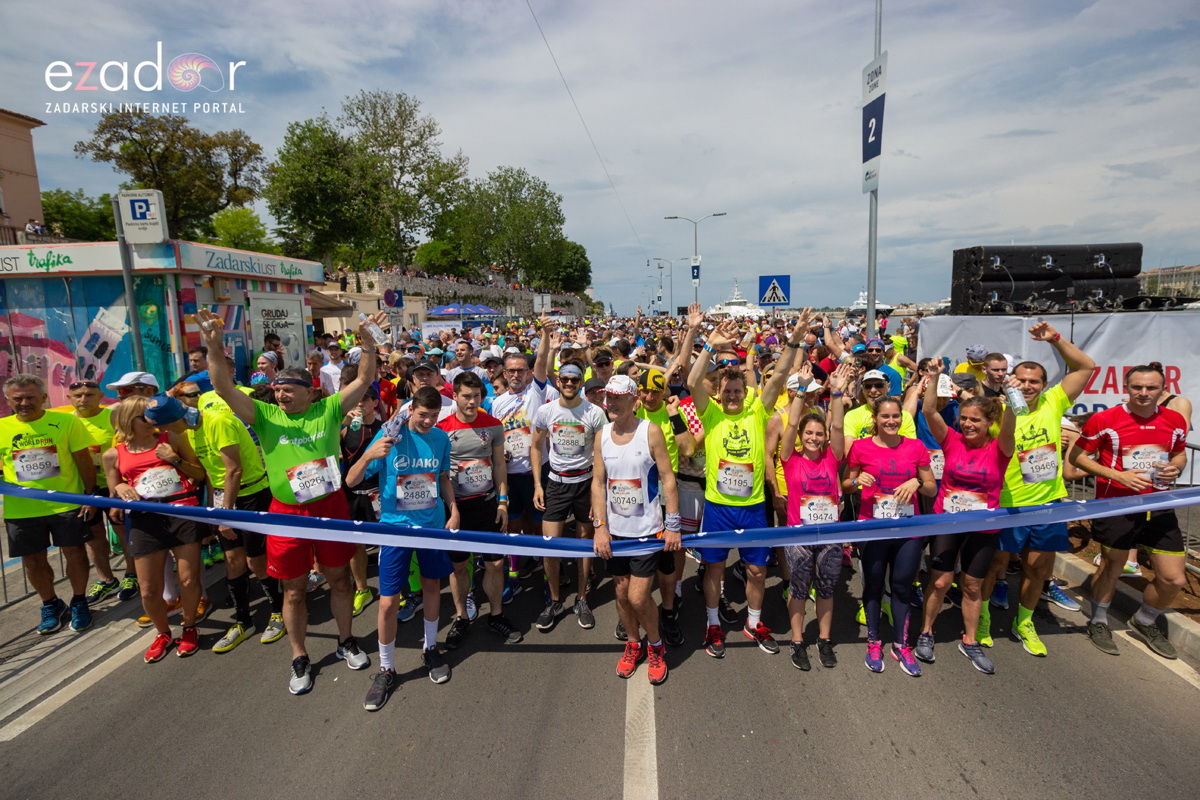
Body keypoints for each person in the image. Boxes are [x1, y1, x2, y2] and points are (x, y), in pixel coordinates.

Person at [197, 307, 383, 695]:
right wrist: (213, 346)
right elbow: (224, 388)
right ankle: (299, 656)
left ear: (310, 391)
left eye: (288, 388)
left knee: (339, 579)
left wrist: (366, 341)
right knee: (294, 589)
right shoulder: (265, 415)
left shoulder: (329, 409)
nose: (280, 393)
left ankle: (346, 641)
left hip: (330, 508)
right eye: (277, 388)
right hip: (287, 512)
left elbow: (365, 376)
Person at [685, 311, 811, 659]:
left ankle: (753, 622)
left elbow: (781, 374)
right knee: (714, 568)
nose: (733, 396)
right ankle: (713, 624)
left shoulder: (757, 410)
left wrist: (796, 338)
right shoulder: (710, 412)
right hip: (719, 508)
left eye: (738, 391)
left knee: (757, 570)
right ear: (720, 392)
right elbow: (692, 380)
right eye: (728, 391)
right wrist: (709, 344)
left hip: (753, 507)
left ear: (745, 391)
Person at [980, 321, 1095, 657]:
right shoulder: (998, 412)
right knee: (994, 564)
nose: (1028, 386)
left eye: (1035, 382)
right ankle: (983, 616)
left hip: (1048, 504)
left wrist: (1054, 339)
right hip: (1006, 503)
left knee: (1037, 567)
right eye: (1022, 381)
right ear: (1011, 382)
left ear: (1045, 385)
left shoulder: (1054, 402)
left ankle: (1024, 622)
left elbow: (1086, 366)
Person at [347, 387, 460, 710]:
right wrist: (370, 455)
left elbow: (443, 478)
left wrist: (453, 509)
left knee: (431, 589)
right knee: (387, 602)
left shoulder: (440, 439)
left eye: (434, 416)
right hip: (394, 530)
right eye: (422, 415)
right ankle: (386, 668)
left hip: (431, 526)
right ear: (411, 410)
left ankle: (430, 648)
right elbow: (352, 481)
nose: (427, 421)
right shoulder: (388, 436)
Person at [1070, 365, 1188, 659]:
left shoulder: (1174, 419)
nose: (1144, 393)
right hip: (1117, 505)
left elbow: (1180, 453)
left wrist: (1177, 468)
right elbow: (1077, 457)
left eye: (1151, 388)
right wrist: (1117, 476)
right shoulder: (1105, 419)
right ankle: (1098, 621)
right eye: (1137, 387)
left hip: (1158, 505)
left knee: (1174, 579)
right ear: (1127, 387)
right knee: (1114, 566)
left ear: (1163, 389)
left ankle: (1145, 620)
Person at [914, 363, 1016, 675]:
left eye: (976, 420)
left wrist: (1010, 395)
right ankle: (926, 632)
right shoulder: (952, 440)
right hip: (948, 522)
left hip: (983, 527)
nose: (969, 424)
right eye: (965, 419)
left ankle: (970, 641)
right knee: (941, 580)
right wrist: (930, 379)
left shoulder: (1000, 448)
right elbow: (930, 411)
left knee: (972, 585)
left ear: (989, 422)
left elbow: (1010, 425)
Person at [167, 382, 286, 648]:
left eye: (166, 426)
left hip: (251, 495)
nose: (166, 433)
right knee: (233, 562)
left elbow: (234, 470)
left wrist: (226, 512)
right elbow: (212, 474)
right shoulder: (192, 430)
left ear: (177, 417)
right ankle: (244, 621)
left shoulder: (217, 421)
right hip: (226, 499)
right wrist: (215, 510)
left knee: (257, 562)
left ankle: (278, 611)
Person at [103, 395, 208, 661]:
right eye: (146, 418)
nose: (154, 422)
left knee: (187, 579)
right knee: (149, 589)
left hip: (181, 511)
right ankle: (163, 633)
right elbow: (113, 490)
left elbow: (199, 474)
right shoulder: (113, 453)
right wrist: (119, 487)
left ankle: (189, 628)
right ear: (130, 420)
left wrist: (174, 460)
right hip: (145, 519)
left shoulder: (171, 438)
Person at [592, 375, 680, 685]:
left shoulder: (650, 431)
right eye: (608, 397)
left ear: (634, 400)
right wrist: (600, 527)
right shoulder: (602, 434)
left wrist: (673, 525)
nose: (610, 403)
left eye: (617, 397)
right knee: (621, 593)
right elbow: (598, 482)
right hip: (616, 533)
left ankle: (655, 645)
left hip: (646, 532)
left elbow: (668, 478)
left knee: (640, 597)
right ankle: (633, 642)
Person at [842, 397, 937, 675]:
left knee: (901, 586)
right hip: (873, 527)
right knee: (872, 585)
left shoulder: (915, 446)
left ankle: (901, 644)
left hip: (907, 529)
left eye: (896, 416)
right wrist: (857, 481)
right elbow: (846, 485)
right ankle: (874, 642)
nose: (891, 421)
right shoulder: (861, 447)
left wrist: (918, 481)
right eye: (885, 417)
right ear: (875, 419)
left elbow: (931, 488)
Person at [0, 375, 96, 635]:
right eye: (17, 398)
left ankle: (79, 601)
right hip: (22, 509)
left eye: (30, 397)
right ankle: (50, 604)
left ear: (43, 398)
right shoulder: (1, 427)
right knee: (33, 562)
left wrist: (89, 497)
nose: (24, 403)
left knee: (75, 554)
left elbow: (83, 460)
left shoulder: (66, 421)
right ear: (8, 400)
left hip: (66, 504)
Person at [437, 372, 522, 647]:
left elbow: (499, 466)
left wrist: (503, 502)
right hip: (456, 508)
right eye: (466, 396)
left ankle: (496, 615)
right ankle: (461, 617)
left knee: (495, 564)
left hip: (487, 504)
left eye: (476, 396)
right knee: (459, 567)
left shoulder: (494, 425)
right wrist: (450, 510)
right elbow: (439, 473)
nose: (472, 402)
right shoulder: (442, 428)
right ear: (455, 396)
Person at [779, 362, 853, 670]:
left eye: (818, 433)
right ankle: (797, 641)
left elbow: (837, 426)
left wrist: (836, 391)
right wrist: (800, 392)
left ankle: (823, 639)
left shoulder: (832, 457)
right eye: (809, 433)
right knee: (798, 589)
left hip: (829, 537)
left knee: (825, 588)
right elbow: (791, 426)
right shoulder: (790, 458)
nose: (813, 437)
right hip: (799, 536)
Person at [531, 362, 609, 631]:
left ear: (580, 383)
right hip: (555, 484)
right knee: (550, 544)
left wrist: (598, 492)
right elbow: (535, 446)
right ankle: (554, 600)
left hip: (586, 483)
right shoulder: (546, 411)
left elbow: (601, 455)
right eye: (564, 379)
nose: (568, 383)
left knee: (585, 543)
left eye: (574, 380)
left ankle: (582, 598)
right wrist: (538, 485)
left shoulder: (595, 413)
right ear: (559, 381)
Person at [490, 316, 555, 598]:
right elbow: (493, 438)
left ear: (528, 373)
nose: (516, 375)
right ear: (504, 373)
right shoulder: (496, 403)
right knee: (515, 524)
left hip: (537, 471)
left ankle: (547, 570)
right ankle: (516, 572)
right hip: (511, 473)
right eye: (511, 371)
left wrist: (543, 334)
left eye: (520, 371)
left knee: (540, 524)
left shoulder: (536, 393)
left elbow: (542, 362)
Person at [69, 379, 131, 606]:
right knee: (94, 537)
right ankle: (106, 579)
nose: (83, 399)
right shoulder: (68, 422)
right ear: (70, 399)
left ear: (100, 396)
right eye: (78, 396)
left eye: (89, 395)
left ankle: (132, 576)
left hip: (115, 485)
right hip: (85, 489)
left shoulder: (112, 417)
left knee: (123, 531)